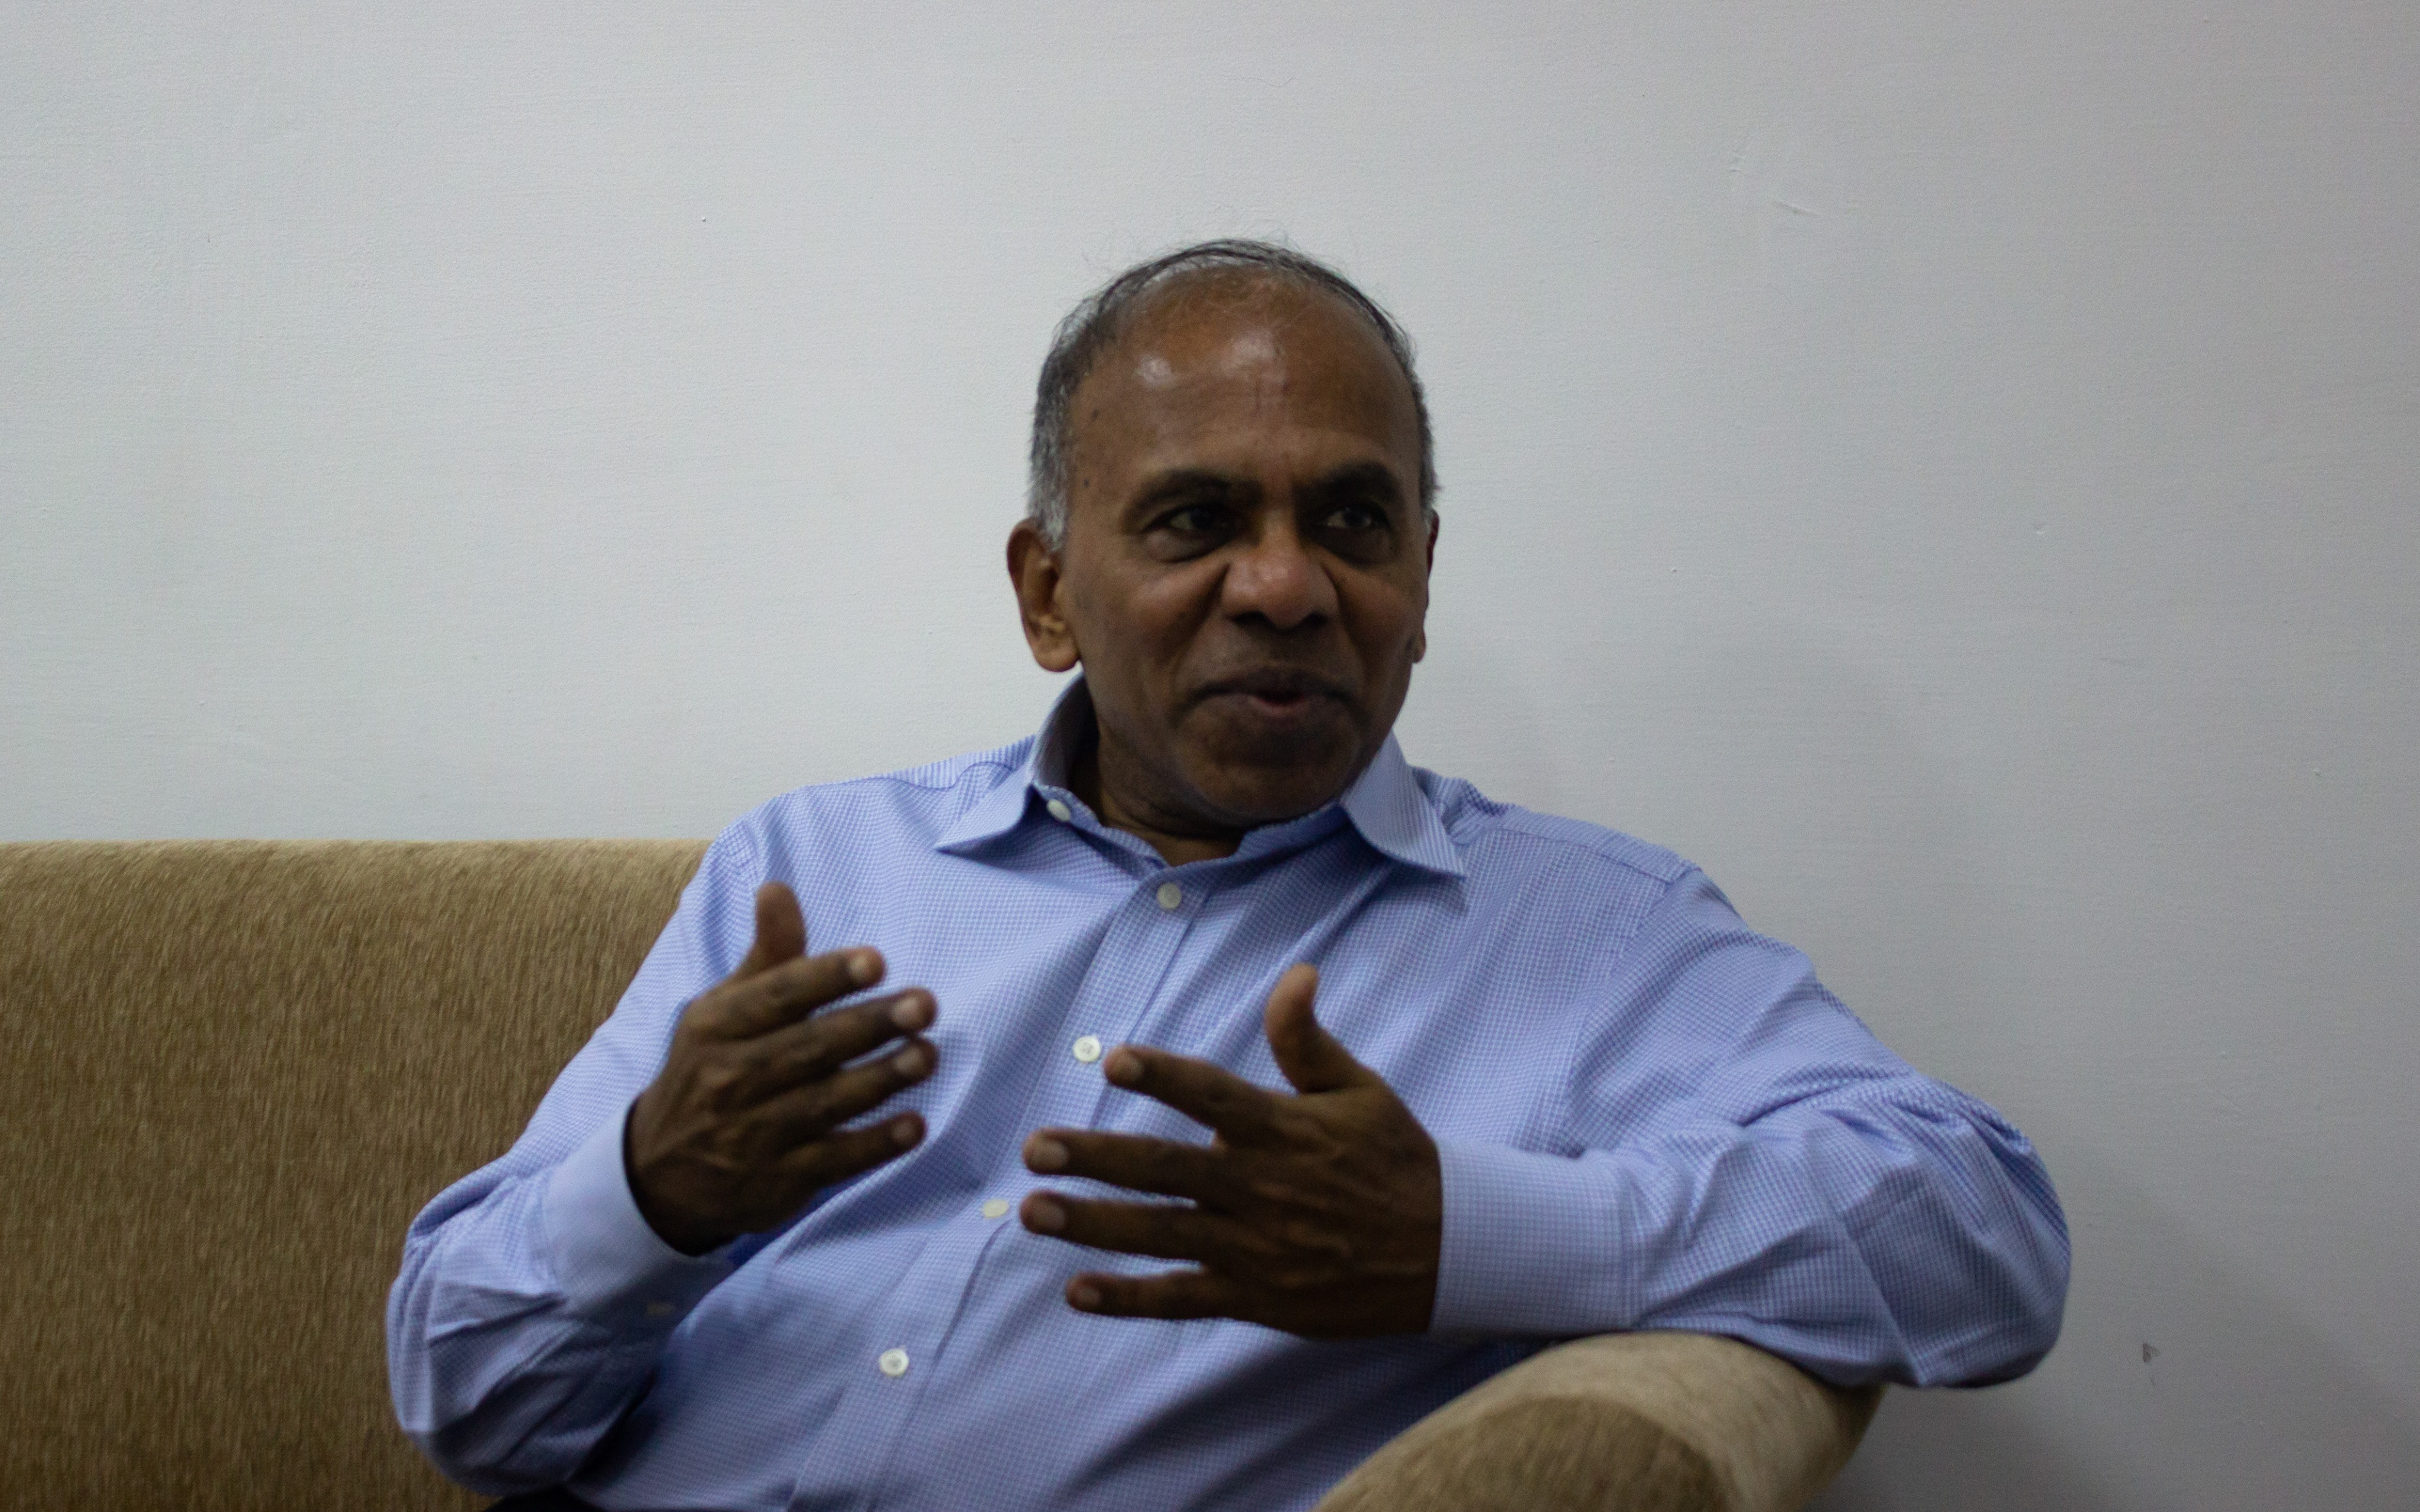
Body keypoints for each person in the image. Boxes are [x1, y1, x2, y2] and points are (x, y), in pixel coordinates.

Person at [387, 240, 2068, 1511]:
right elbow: (466, 1403)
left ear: (1421, 576)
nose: (1285, 586)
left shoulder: (1589, 936)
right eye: (1196, 522)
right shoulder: (818, 868)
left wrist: (1469, 1238)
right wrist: (656, 1192)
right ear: (1049, 593)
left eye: (1353, 522)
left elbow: (1982, 1237)